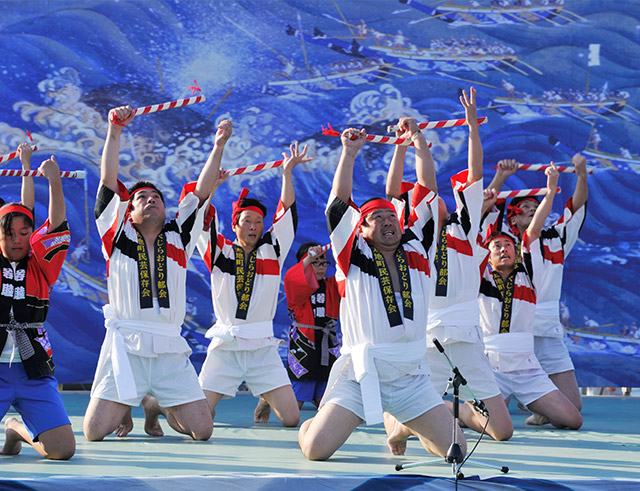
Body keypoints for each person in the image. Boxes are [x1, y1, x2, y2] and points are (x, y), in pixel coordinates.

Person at [299, 123, 465, 461]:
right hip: (361, 373)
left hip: (411, 377)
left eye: (392, 215)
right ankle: (311, 425)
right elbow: (338, 204)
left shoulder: (418, 248)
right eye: (377, 217)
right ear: (361, 227)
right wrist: (349, 153)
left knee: (455, 452)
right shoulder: (353, 254)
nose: (388, 221)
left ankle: (402, 423)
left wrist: (418, 142)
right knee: (316, 450)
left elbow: (425, 190)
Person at [83, 105, 231, 441]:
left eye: (156, 197)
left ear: (165, 209)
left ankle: (155, 404)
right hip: (125, 347)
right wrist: (115, 130)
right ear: (128, 212)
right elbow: (108, 181)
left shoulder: (180, 236)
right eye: (141, 198)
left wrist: (219, 145)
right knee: (93, 433)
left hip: (169, 346)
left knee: (203, 431)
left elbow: (202, 192)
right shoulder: (116, 235)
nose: (150, 200)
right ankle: (131, 402)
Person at [385, 89, 512, 449]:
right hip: (430, 335)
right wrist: (409, 143)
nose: (433, 198)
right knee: (428, 427)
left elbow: (475, 173)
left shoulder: (465, 226)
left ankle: (451, 412)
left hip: (468, 335)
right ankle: (405, 424)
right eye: (425, 199)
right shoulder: (415, 236)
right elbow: (406, 187)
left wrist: (472, 126)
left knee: (503, 430)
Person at [196, 142, 310, 427]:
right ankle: (154, 405)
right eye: (247, 220)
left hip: (261, 347)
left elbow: (287, 215)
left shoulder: (273, 249)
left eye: (259, 221)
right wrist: (213, 189)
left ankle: (266, 396)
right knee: (199, 422)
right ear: (235, 225)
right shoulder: (219, 250)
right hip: (226, 346)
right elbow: (198, 219)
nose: (253, 226)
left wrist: (287, 174)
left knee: (292, 419)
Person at [485, 154, 587, 425]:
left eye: (535, 205)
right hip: (509, 328)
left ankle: (538, 401)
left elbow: (576, 207)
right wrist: (502, 177)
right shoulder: (504, 243)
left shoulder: (555, 237)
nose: (532, 209)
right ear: (512, 218)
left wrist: (581, 174)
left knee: (573, 408)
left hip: (546, 325)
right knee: (488, 418)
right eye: (525, 206)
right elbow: (484, 210)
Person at [0, 147, 75, 460]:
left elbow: (53, 225)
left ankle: (18, 428)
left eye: (24, 233)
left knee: (62, 450)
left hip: (33, 370)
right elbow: (22, 210)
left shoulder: (42, 265)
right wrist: (26, 166)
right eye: (8, 233)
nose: (17, 239)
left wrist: (53, 181)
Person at [254, 242, 341, 422]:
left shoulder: (332, 285)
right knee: (297, 403)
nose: (321, 267)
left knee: (326, 403)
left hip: (328, 343)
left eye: (323, 262)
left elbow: (348, 278)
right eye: (315, 262)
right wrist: (308, 259)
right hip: (305, 344)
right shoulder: (297, 284)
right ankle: (267, 397)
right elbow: (294, 277)